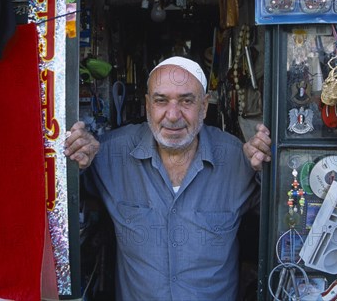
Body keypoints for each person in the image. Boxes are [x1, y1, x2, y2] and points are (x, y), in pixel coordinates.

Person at [65, 56, 272, 301]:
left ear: (205, 106)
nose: (173, 115)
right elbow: (62, 201)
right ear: (147, 104)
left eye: (186, 101)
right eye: (161, 101)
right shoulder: (111, 154)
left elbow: (279, 216)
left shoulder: (236, 159)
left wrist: (269, 171)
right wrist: (72, 161)